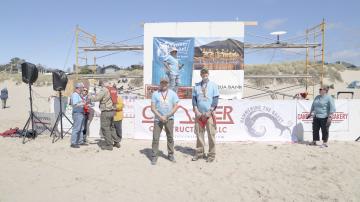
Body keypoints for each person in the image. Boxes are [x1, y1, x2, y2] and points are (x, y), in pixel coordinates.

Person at [192, 68, 219, 162]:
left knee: (211, 135)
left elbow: (215, 100)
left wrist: (210, 111)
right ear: (200, 75)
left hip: (209, 114)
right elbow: (194, 99)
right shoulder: (196, 86)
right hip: (199, 114)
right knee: (199, 134)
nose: (204, 74)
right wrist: (196, 110)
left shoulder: (213, 85)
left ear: (208, 74)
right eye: (202, 73)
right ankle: (200, 154)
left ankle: (211, 155)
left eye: (206, 73)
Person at [150, 77, 179, 165]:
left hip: (169, 119)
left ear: (168, 84)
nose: (164, 84)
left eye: (165, 83)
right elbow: (152, 108)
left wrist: (167, 115)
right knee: (155, 138)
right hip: (157, 119)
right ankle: (154, 156)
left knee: (170, 137)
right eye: (162, 83)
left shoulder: (173, 94)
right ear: (160, 83)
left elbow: (176, 106)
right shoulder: (155, 94)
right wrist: (160, 116)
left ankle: (170, 155)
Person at [90, 80, 120, 150]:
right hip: (113, 110)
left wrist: (90, 96)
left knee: (105, 128)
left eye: (100, 85)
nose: (100, 86)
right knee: (112, 127)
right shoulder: (113, 89)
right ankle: (116, 142)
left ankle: (109, 145)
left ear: (103, 84)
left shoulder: (104, 90)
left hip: (106, 111)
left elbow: (96, 98)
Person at [70, 83, 86, 148]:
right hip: (77, 113)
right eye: (82, 87)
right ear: (78, 88)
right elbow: (74, 104)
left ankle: (80, 141)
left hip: (80, 113)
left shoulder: (79, 95)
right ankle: (73, 143)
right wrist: (83, 103)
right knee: (76, 128)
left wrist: (84, 103)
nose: (83, 89)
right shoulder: (75, 95)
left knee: (81, 128)